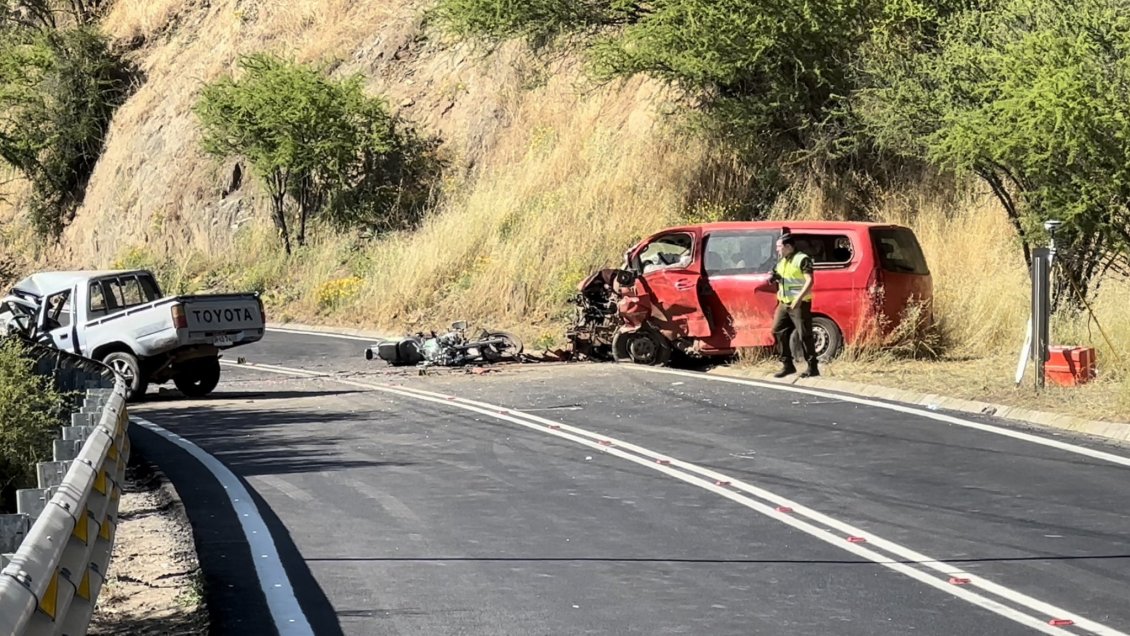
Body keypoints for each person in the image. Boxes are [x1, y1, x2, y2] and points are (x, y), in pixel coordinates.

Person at [770, 233, 819, 378]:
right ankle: (787, 365)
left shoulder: (802, 259)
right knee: (777, 330)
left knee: (804, 335)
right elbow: (782, 276)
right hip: (784, 302)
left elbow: (809, 281)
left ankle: (812, 367)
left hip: (799, 303)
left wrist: (799, 298)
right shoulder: (782, 261)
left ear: (788, 246)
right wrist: (774, 278)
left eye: (779, 247)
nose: (777, 249)